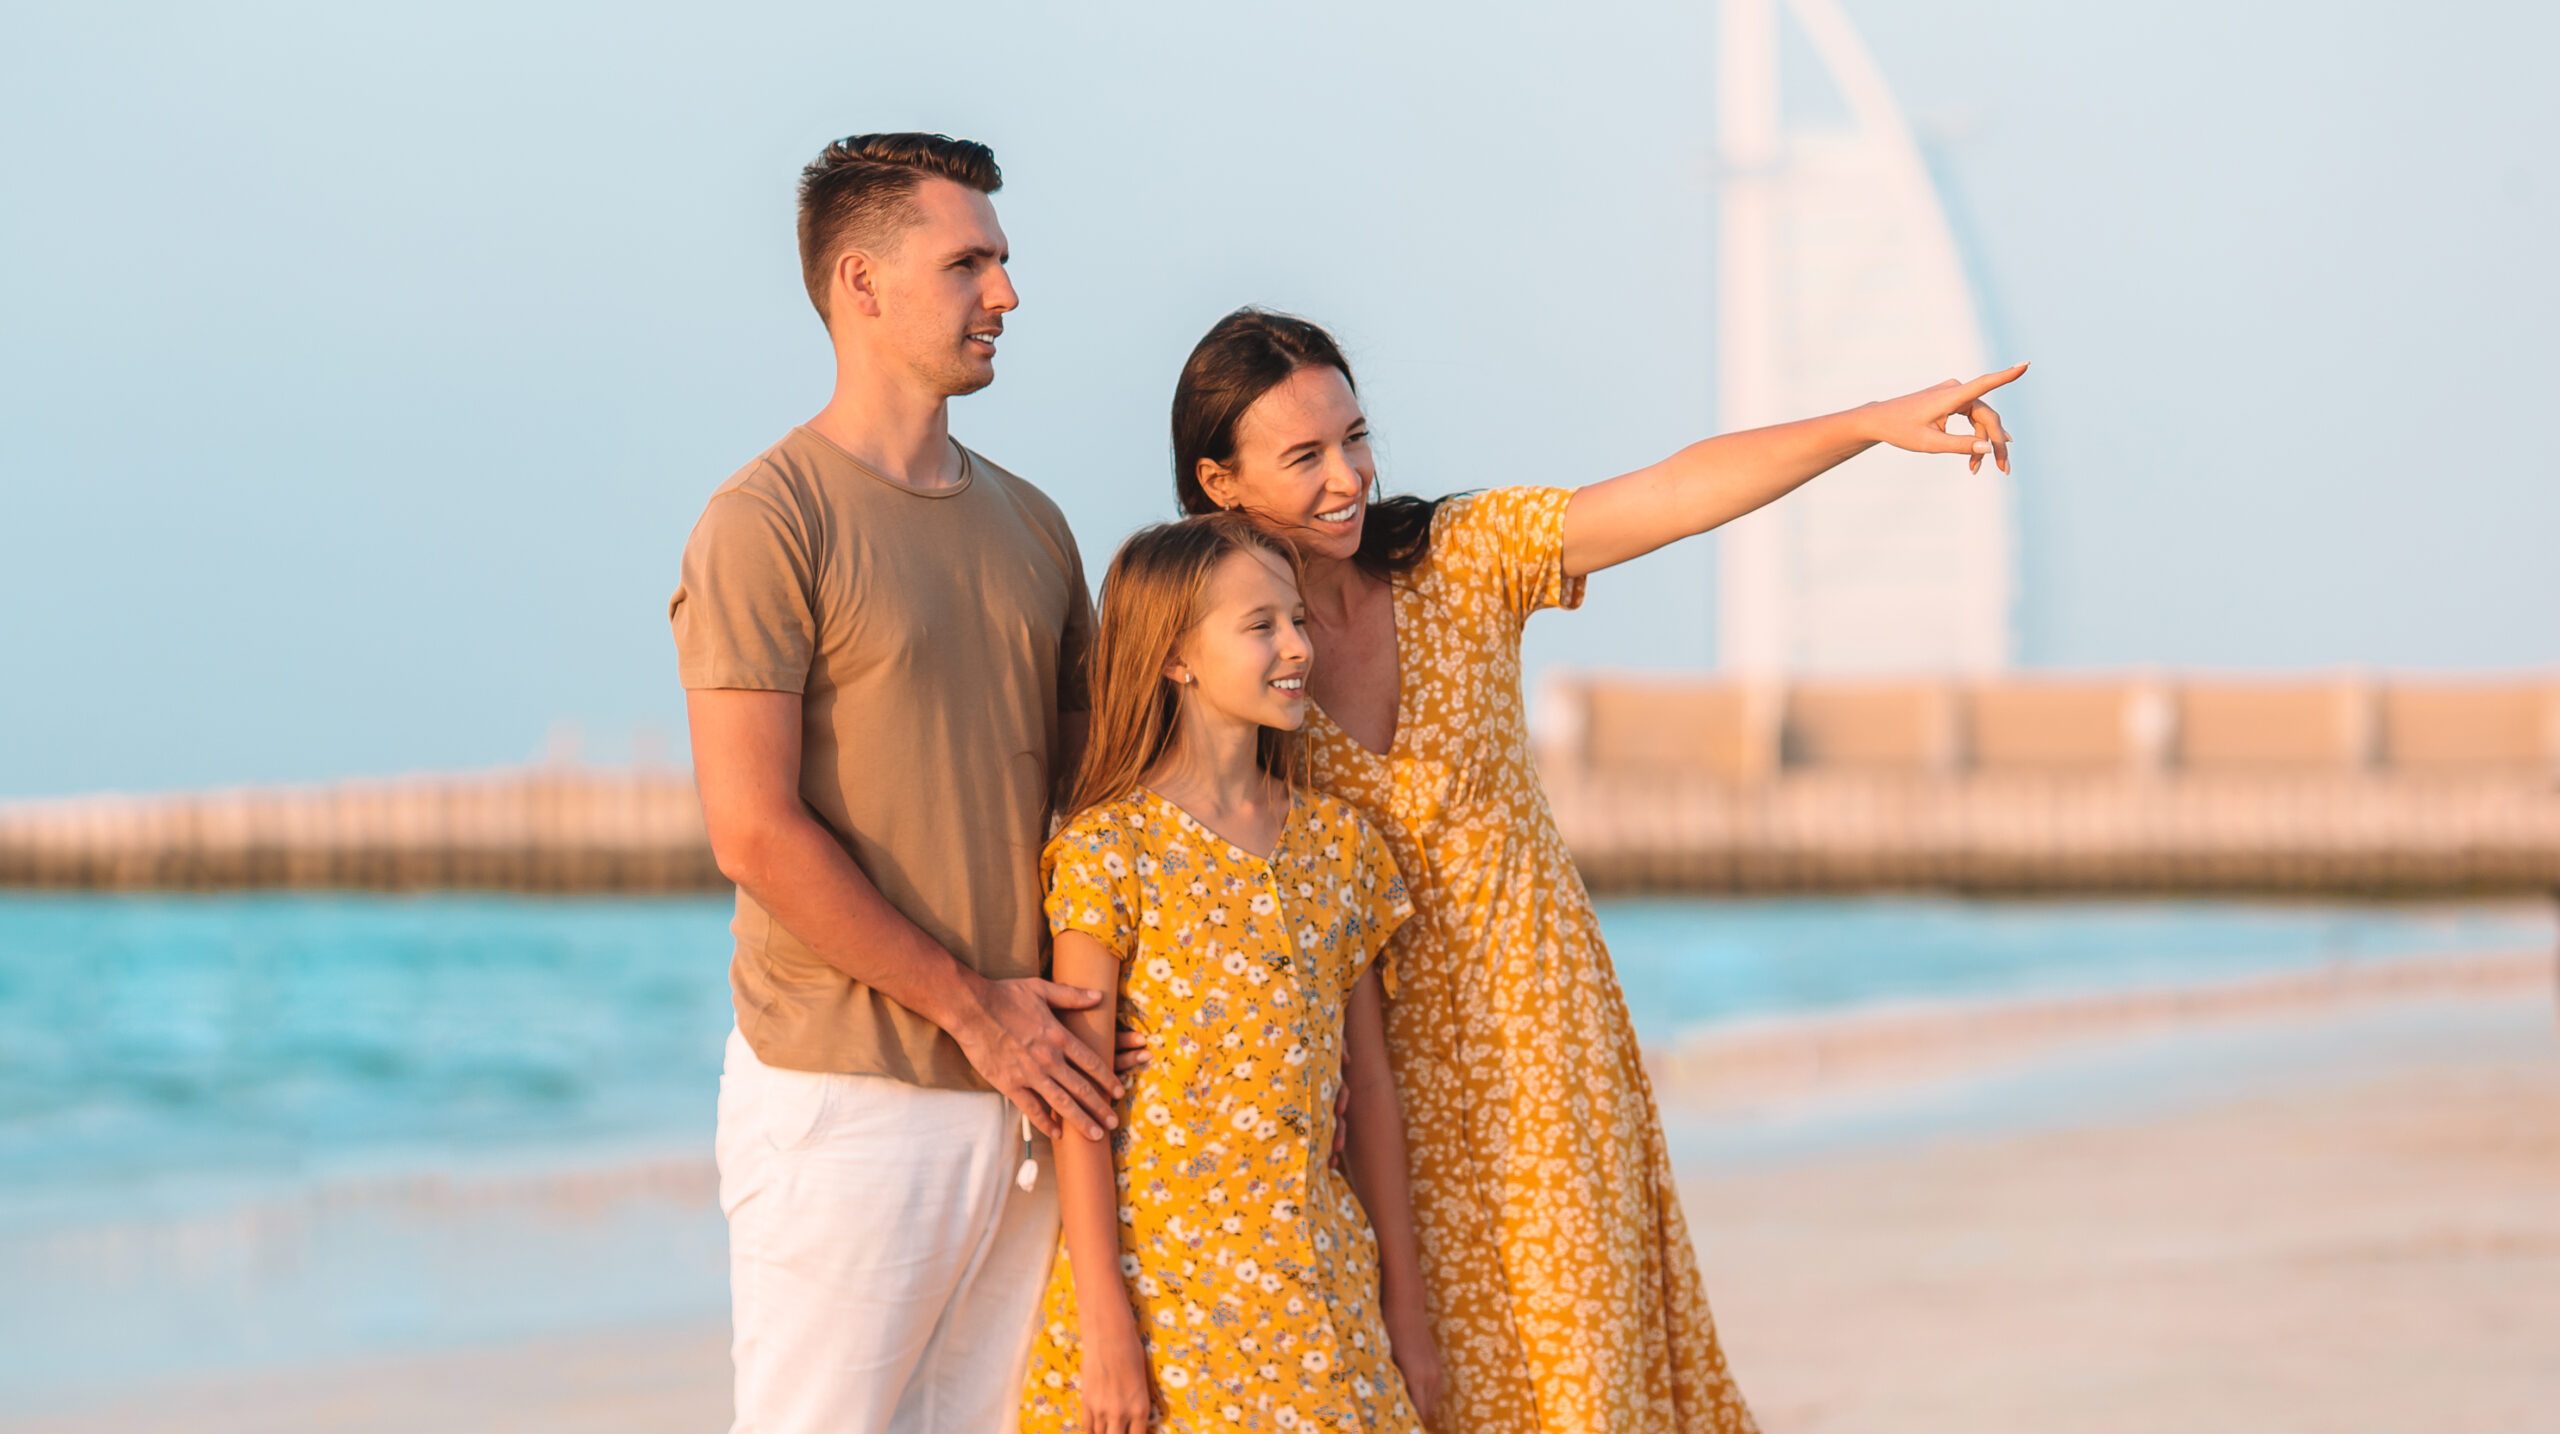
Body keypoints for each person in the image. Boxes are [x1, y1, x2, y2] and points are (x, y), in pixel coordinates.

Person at [1166, 307, 2026, 1433]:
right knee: (1414, 1385)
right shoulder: (1212, 646)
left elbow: (1670, 493)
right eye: (1305, 456)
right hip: (1351, 1084)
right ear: (1219, 481)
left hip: (1541, 1044)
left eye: (1356, 438)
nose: (1349, 477)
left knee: (1581, 1373)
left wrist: (1866, 424)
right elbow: (1150, 835)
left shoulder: (1459, 561)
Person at [669, 132, 1123, 1434]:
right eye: (968, 262)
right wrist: (973, 1008)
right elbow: (753, 829)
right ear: (860, 284)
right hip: (846, 1097)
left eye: (1004, 261)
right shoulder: (768, 520)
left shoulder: (1035, 526)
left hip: (1023, 1089)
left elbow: (1098, 805)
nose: (1006, 294)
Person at [1019, 514, 1443, 1434]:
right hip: (1163, 1299)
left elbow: (1367, 1089)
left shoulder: (1340, 848)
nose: (1297, 648)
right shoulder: (1107, 852)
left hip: (1320, 1284)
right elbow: (1083, 1113)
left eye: (1297, 620)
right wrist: (1105, 1326)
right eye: (1261, 627)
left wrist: (1405, 1311)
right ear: (1176, 657)